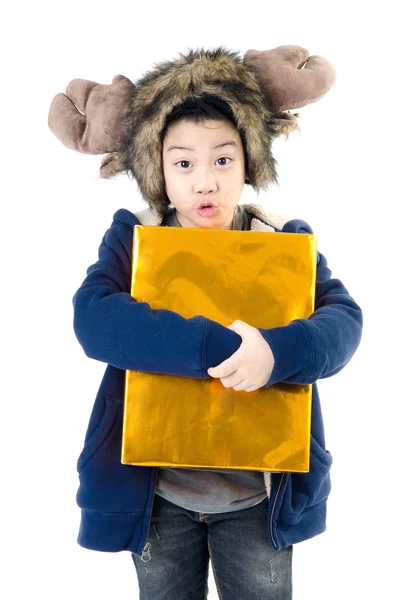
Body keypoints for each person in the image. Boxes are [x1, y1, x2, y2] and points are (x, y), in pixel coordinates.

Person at [48, 46, 363, 599]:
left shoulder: (283, 239)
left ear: (249, 163)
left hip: (259, 501)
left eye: (223, 160)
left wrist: (275, 351)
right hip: (159, 498)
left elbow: (343, 321)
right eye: (183, 163)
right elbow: (93, 317)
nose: (205, 182)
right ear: (158, 170)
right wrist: (211, 346)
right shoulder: (135, 238)